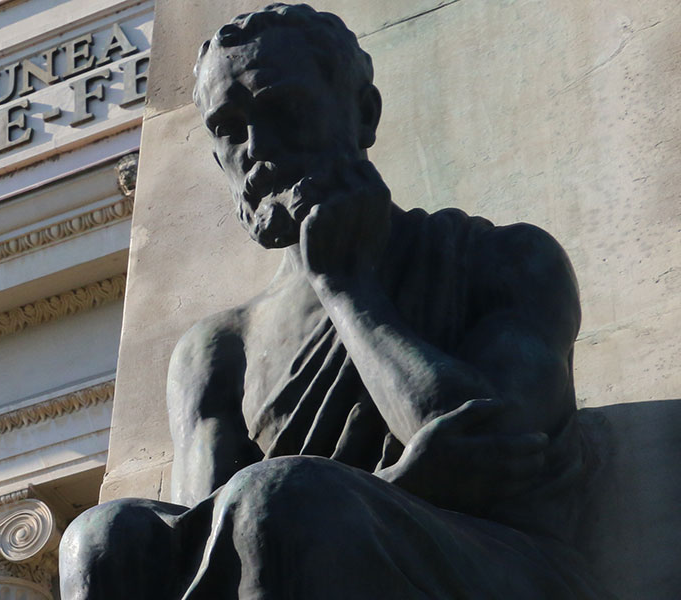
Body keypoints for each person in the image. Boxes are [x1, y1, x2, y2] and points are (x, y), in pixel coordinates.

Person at [57, 5, 609, 598]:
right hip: (307, 531)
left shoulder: (502, 260)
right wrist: (404, 477)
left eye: (281, 110)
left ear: (363, 113)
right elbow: (211, 548)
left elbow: (497, 446)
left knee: (282, 497)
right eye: (230, 128)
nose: (258, 149)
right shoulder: (216, 351)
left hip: (499, 565)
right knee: (102, 536)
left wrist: (347, 290)